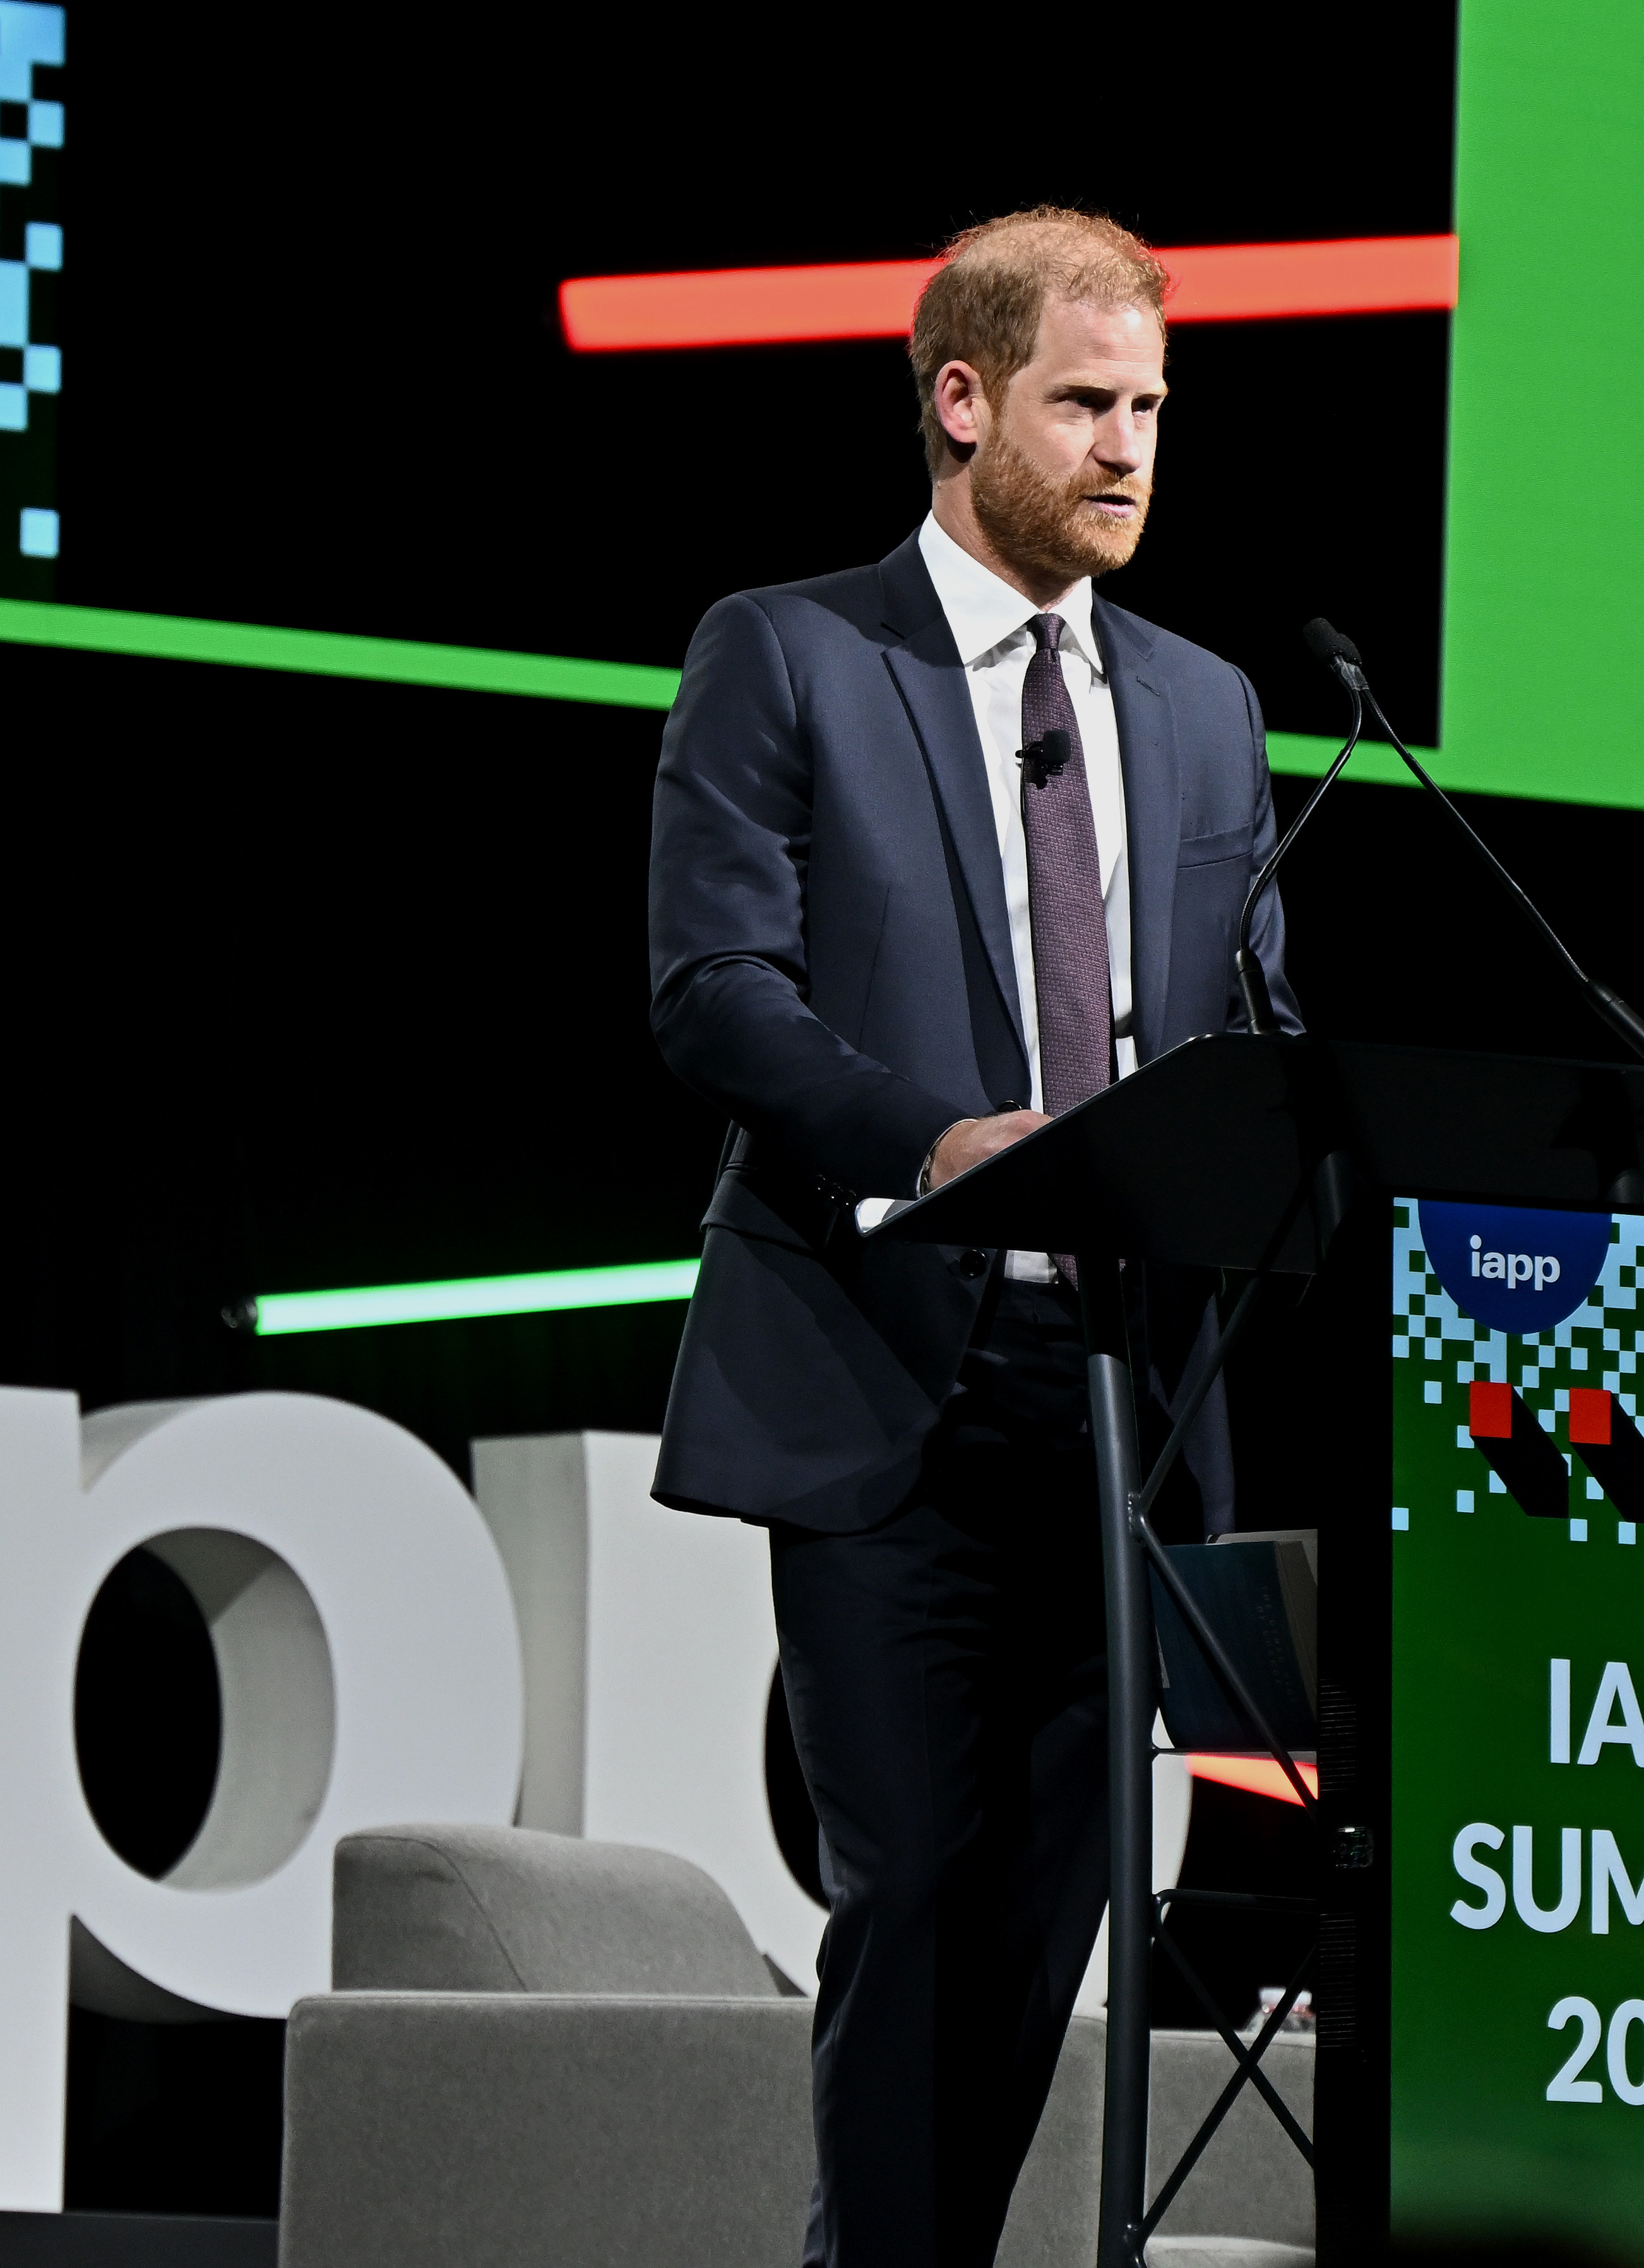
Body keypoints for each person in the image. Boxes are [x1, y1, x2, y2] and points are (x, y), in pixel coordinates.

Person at [644, 206, 1302, 2268]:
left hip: (1127, 1399)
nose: (1130, 449)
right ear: (959, 401)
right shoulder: (792, 650)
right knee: (912, 1880)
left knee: (1046, 1908)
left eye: (1154, 410)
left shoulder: (1205, 706)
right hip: (886, 1368)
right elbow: (715, 992)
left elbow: (1252, 1013)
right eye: (1086, 404)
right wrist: (937, 1137)